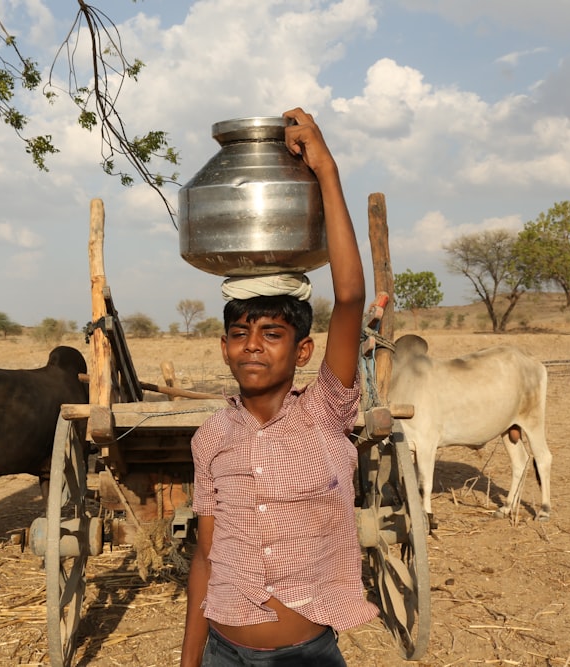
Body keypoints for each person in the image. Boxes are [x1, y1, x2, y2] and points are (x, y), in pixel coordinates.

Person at [180, 107, 379, 667]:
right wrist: (189, 663)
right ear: (224, 347)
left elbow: (348, 299)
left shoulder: (323, 413)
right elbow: (205, 557)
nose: (252, 345)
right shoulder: (211, 437)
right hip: (221, 651)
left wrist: (327, 172)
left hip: (303, 657)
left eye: (272, 333)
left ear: (303, 350)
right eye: (240, 333)